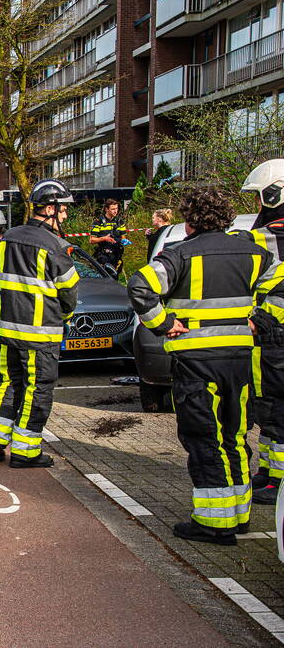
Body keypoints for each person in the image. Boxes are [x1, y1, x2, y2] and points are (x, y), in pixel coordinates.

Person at [128, 188, 280, 545]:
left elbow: (139, 287)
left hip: (197, 362)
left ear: (189, 218)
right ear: (227, 217)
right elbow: (280, 284)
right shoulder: (254, 253)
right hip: (240, 360)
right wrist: (260, 318)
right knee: (237, 435)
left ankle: (215, 523)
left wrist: (163, 324)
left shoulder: (179, 254)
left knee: (204, 438)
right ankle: (240, 515)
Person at [0, 179, 79, 468]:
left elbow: (0, 274)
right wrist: (63, 317)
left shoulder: (9, 238)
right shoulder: (55, 246)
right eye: (62, 210)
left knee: (9, 383)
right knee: (38, 389)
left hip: (9, 331)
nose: (64, 215)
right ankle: (25, 451)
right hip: (41, 334)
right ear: (49, 208)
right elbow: (70, 292)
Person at [235, 160, 284, 506]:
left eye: (258, 198)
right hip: (267, 337)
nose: (255, 206)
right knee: (268, 407)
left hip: (274, 337)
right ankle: (268, 470)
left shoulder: (266, 237)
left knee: (277, 408)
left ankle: (277, 479)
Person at [89, 198, 128, 275]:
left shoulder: (120, 221)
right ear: (106, 209)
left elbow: (123, 238)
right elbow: (91, 240)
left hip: (117, 255)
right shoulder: (98, 222)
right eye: (113, 209)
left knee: (115, 277)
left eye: (116, 208)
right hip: (103, 255)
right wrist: (104, 238)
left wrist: (124, 241)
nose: (115, 211)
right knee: (104, 278)